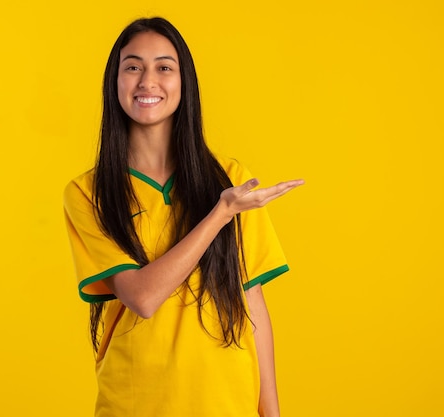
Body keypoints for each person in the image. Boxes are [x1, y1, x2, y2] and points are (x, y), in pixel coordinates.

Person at [64, 17, 304, 417]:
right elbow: (141, 297)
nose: (147, 81)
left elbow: (252, 304)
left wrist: (272, 414)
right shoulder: (89, 193)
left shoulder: (231, 180)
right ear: (115, 82)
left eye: (164, 67)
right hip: (137, 400)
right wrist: (220, 214)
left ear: (183, 81)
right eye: (133, 67)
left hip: (226, 399)